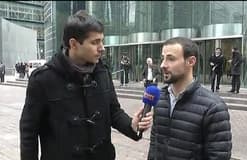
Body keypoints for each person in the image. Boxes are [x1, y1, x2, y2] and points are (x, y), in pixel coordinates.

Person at [20, 10, 153, 160]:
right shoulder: (43, 79)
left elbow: (114, 112)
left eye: (102, 41)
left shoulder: (102, 72)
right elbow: (29, 132)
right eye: (95, 42)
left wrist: (131, 125)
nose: (102, 47)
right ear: (74, 44)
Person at [148, 37, 232, 160]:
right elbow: (154, 145)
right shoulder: (159, 99)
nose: (163, 65)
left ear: (191, 61)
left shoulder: (214, 107)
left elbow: (219, 156)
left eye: (171, 59)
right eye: (163, 58)